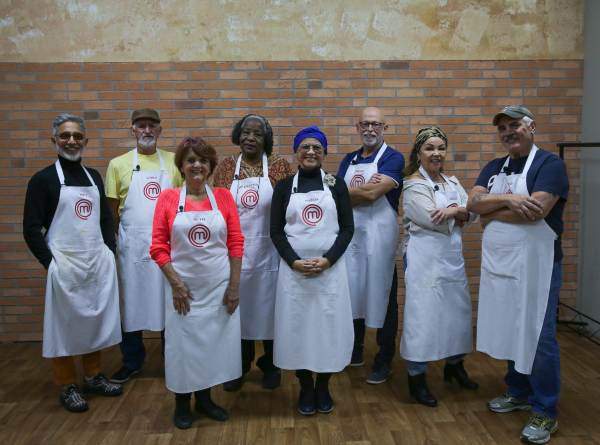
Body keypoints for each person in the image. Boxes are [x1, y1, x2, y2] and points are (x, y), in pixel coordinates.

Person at [467, 105, 569, 444]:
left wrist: (492, 212)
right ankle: (519, 391)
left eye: (515, 125)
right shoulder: (494, 167)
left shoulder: (549, 164)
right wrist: (510, 202)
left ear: (531, 126)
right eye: (503, 128)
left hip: (538, 263)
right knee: (512, 325)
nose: (508, 132)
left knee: (538, 334)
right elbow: (472, 205)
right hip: (502, 264)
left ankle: (545, 410)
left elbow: (537, 211)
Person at [23, 114, 123, 413]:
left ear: (86, 141)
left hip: (95, 262)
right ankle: (66, 384)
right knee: (64, 325)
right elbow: (31, 228)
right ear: (54, 139)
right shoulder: (43, 180)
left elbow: (106, 218)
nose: (71, 141)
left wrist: (109, 251)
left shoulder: (93, 175)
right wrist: (50, 263)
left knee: (92, 319)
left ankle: (93, 376)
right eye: (65, 136)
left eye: (77, 136)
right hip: (64, 264)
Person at [150, 137, 244, 429]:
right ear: (181, 165)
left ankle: (204, 400)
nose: (197, 165)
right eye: (190, 160)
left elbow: (236, 243)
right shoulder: (167, 199)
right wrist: (176, 285)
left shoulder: (224, 198)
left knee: (212, 346)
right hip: (183, 290)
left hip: (218, 288)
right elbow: (157, 247)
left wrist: (234, 286)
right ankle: (182, 403)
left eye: (202, 160)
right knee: (182, 347)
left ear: (211, 166)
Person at [271, 126, 354, 415]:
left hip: (329, 272)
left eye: (317, 148)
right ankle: (305, 385)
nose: (310, 152)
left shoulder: (337, 185)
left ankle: (324, 385)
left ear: (324, 153)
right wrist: (293, 261)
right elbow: (276, 232)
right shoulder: (283, 187)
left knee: (327, 330)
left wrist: (328, 260)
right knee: (297, 329)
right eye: (305, 147)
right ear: (296, 152)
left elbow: (347, 229)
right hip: (294, 273)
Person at [212, 114, 292, 391]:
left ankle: (271, 364)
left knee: (271, 310)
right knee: (237, 310)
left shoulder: (280, 167)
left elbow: (288, 208)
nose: (250, 138)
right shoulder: (225, 168)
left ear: (266, 139)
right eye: (246, 132)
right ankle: (239, 364)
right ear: (238, 134)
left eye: (258, 134)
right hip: (235, 254)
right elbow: (216, 211)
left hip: (271, 253)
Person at [399, 127, 478, 408]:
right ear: (418, 152)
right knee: (424, 315)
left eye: (441, 148)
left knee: (456, 312)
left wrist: (456, 211)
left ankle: (454, 365)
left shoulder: (451, 181)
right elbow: (432, 219)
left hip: (451, 258)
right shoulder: (412, 185)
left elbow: (470, 212)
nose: (436, 153)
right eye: (430, 148)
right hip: (423, 257)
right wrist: (456, 214)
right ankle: (416, 376)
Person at [105, 108, 183, 384]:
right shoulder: (118, 164)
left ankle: (171, 357)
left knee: (169, 300)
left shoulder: (174, 162)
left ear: (160, 130)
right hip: (133, 247)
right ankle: (132, 360)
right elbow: (113, 210)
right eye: (141, 126)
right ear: (133, 131)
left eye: (152, 126)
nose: (146, 130)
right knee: (132, 301)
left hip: (169, 245)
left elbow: (184, 203)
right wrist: (118, 241)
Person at [337, 107, 405, 384]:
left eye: (376, 125)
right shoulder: (348, 158)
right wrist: (356, 192)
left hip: (379, 237)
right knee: (351, 291)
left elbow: (372, 192)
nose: (370, 129)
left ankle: (384, 359)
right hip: (351, 237)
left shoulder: (393, 157)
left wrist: (350, 192)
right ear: (357, 127)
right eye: (365, 124)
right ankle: (355, 350)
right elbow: (338, 196)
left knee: (383, 296)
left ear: (384, 128)